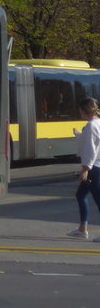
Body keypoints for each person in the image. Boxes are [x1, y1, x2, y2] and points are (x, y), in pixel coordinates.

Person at [68, 97, 100, 239]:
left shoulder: (92, 125)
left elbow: (91, 149)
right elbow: (91, 142)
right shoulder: (96, 123)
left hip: (95, 168)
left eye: (80, 110)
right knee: (80, 195)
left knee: (98, 199)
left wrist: (85, 169)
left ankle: (83, 229)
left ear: (84, 110)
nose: (79, 113)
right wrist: (79, 135)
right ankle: (82, 229)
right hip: (96, 166)